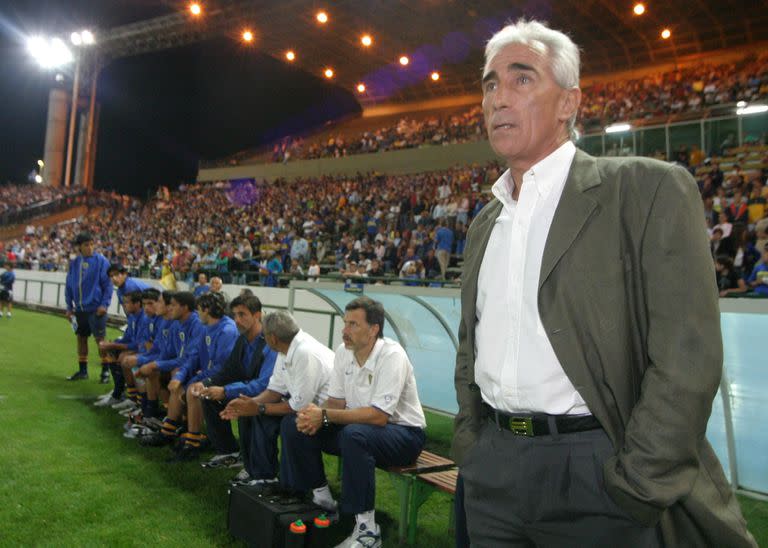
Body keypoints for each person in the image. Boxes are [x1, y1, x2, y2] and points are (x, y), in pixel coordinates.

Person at [453, 19, 755, 548]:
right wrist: (472, 444)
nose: (499, 97)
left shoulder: (646, 190)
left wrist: (637, 479)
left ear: (569, 103)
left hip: (597, 469)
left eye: (522, 79)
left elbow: (688, 356)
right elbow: (469, 345)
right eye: (490, 83)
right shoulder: (485, 222)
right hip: (493, 472)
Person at [280, 297, 426, 548]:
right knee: (293, 424)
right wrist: (313, 412)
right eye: (345, 323)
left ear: (373, 330)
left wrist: (324, 415)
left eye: (353, 325)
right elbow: (336, 403)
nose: (344, 331)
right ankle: (323, 501)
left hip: (405, 435)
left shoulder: (392, 355)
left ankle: (368, 531)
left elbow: (379, 416)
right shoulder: (343, 352)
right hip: (361, 430)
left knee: (354, 436)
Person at [219, 310, 334, 485]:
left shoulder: (305, 352)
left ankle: (292, 486)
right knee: (253, 415)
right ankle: (262, 477)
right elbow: (275, 390)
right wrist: (248, 404)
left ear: (272, 338)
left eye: (264, 335)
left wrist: (259, 408)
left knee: (287, 422)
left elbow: (298, 406)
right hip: (310, 409)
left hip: (329, 416)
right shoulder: (285, 349)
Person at [189, 295, 277, 475]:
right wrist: (206, 383)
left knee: (244, 402)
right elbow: (228, 370)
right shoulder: (242, 339)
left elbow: (263, 385)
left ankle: (254, 465)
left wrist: (226, 390)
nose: (237, 320)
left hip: (271, 397)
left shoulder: (269, 343)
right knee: (209, 397)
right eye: (235, 314)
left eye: (242, 314)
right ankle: (228, 450)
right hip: (248, 389)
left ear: (257, 315)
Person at [64, 232, 114, 383]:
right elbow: (69, 285)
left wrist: (104, 304)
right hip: (79, 310)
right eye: (86, 245)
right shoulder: (74, 263)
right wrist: (68, 306)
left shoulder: (101, 261)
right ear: (79, 247)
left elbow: (108, 285)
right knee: (81, 338)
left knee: (100, 340)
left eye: (92, 244)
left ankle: (105, 372)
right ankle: (83, 371)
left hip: (95, 309)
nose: (90, 247)